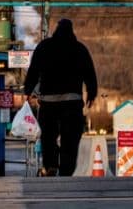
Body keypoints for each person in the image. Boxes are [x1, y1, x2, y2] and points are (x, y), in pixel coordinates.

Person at [23, 18, 97, 176]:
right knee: (70, 140)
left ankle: (50, 165)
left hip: (49, 103)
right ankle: (66, 171)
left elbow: (34, 70)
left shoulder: (44, 47)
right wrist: (92, 93)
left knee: (48, 137)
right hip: (72, 103)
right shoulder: (79, 49)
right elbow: (89, 73)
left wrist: (28, 90)